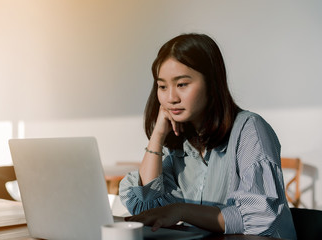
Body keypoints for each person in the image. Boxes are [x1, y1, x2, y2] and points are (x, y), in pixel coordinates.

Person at [118, 33, 297, 239]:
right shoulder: (178, 144)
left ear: (211, 83)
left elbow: (259, 217)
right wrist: (157, 137)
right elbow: (146, 208)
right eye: (162, 86)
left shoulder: (250, 129)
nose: (170, 98)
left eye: (182, 84)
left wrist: (181, 210)